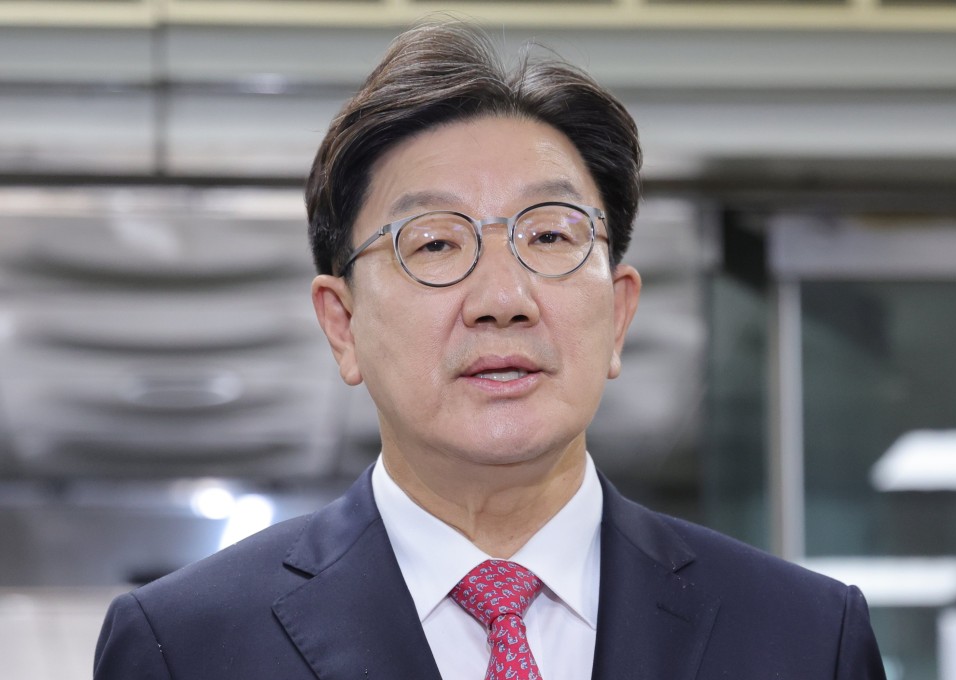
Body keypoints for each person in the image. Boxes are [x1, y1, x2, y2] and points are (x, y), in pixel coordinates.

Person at [94, 19, 886, 680]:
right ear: (343, 324)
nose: (502, 300)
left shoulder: (805, 639)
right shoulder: (186, 646)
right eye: (434, 244)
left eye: (549, 235)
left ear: (617, 313)